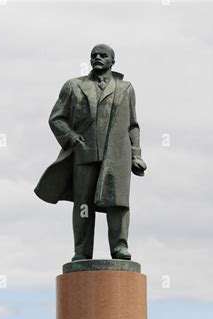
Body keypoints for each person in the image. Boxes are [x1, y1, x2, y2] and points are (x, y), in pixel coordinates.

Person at [35, 43, 147, 261]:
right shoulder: (74, 86)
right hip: (84, 153)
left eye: (103, 55)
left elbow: (132, 125)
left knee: (118, 203)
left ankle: (120, 247)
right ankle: (82, 251)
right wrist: (72, 138)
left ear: (112, 61)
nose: (98, 58)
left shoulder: (126, 88)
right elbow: (56, 118)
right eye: (94, 55)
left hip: (117, 155)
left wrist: (136, 154)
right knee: (84, 204)